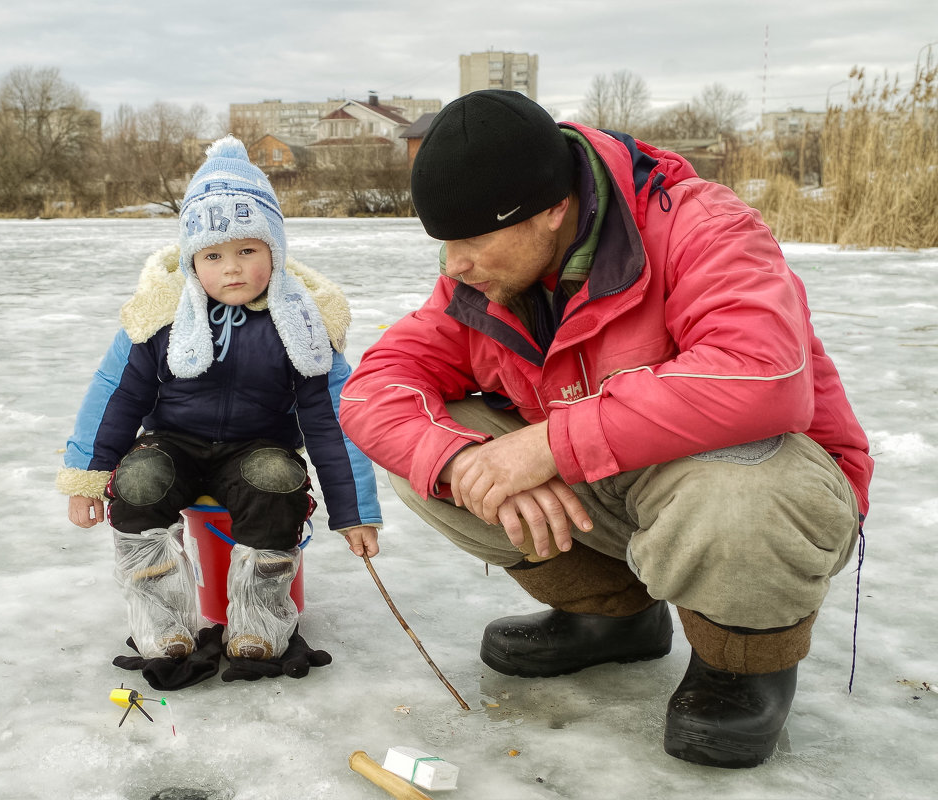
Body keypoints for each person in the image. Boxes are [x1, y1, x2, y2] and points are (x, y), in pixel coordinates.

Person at [338, 90, 872, 769]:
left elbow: (762, 372)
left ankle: (741, 664)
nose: (454, 266)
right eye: (445, 244)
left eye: (470, 240)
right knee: (432, 456)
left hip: (759, 482)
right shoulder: (485, 283)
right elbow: (375, 387)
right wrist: (459, 459)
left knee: (740, 498)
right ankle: (611, 617)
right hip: (612, 482)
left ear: (554, 209)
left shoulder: (700, 224)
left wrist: (548, 445)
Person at [58, 136, 381, 691]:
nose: (231, 268)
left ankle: (258, 626)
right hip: (174, 444)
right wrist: (86, 478)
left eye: (247, 251)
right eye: (213, 255)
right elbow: (116, 396)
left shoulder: (301, 324)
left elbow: (332, 419)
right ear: (192, 261)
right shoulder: (158, 318)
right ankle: (164, 628)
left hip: (256, 449)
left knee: (279, 478)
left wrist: (354, 511)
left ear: (274, 250)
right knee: (137, 479)